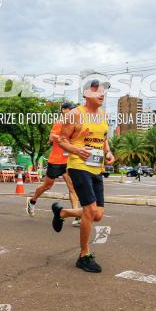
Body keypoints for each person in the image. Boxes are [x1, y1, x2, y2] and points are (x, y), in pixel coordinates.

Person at [51, 79, 114, 273]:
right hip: (78, 166)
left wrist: (109, 153)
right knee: (89, 210)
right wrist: (77, 151)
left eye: (103, 91)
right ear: (86, 94)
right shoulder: (74, 115)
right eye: (96, 90)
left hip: (96, 167)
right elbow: (62, 140)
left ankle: (63, 213)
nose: (101, 94)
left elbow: (104, 139)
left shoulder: (103, 116)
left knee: (98, 215)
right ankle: (84, 255)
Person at [27, 103, 80, 225]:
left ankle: (77, 215)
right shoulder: (60, 122)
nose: (72, 111)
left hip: (68, 161)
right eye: (70, 109)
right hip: (56, 160)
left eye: (73, 110)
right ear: (63, 110)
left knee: (72, 187)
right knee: (47, 186)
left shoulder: (74, 124)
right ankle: (32, 200)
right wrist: (64, 139)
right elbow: (51, 137)